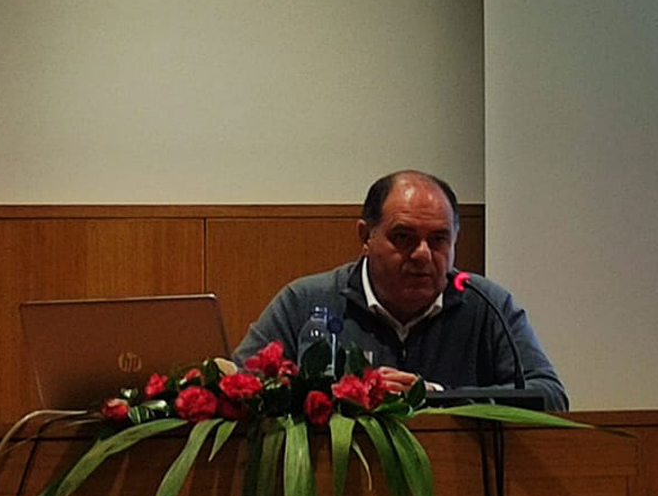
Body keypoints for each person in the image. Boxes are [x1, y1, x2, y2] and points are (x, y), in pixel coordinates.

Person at [233, 170, 568, 410]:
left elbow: (549, 396)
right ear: (366, 237)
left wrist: (436, 396)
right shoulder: (306, 301)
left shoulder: (486, 303)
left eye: (439, 240)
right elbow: (237, 388)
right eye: (403, 237)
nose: (423, 254)